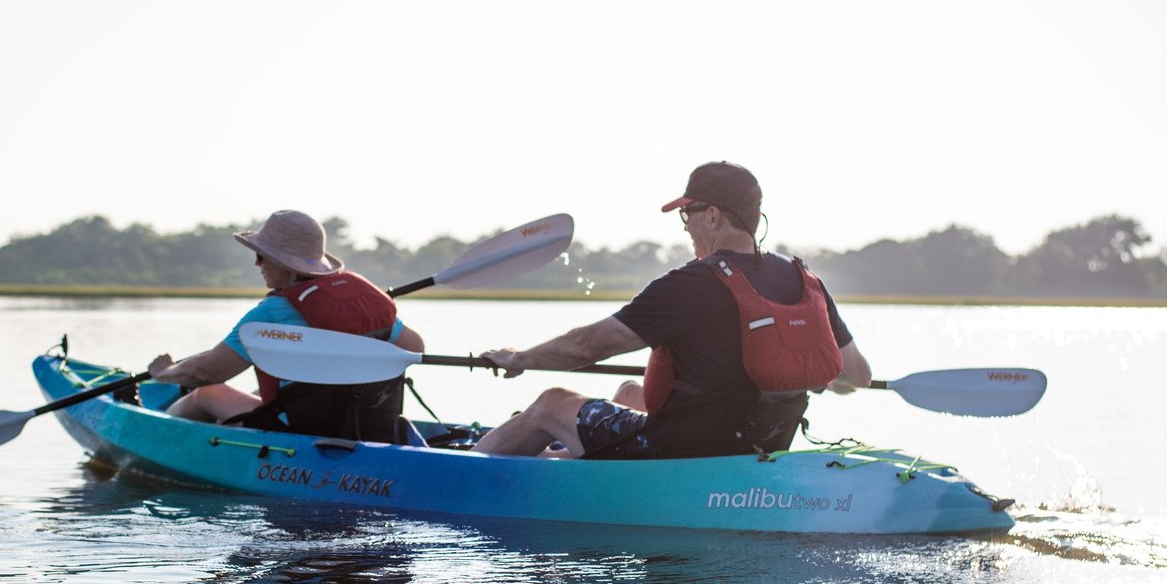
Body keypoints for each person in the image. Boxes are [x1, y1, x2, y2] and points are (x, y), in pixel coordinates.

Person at [473, 162, 872, 459]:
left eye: (688, 214)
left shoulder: (691, 284)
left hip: (681, 453)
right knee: (630, 393)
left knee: (551, 403)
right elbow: (857, 376)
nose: (685, 227)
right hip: (756, 446)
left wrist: (520, 357)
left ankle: (464, 466)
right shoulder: (803, 281)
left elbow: (588, 346)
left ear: (713, 216)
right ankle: (563, 459)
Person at [147, 210, 426, 440]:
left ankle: (156, 440)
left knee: (205, 394)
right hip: (368, 428)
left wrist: (165, 373)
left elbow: (206, 373)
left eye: (262, 256)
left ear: (287, 265)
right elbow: (414, 348)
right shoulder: (365, 306)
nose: (257, 264)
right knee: (261, 392)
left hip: (296, 431)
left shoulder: (273, 311)